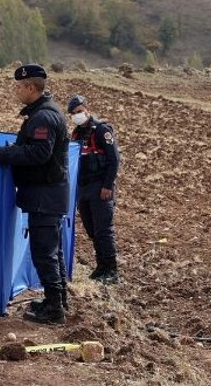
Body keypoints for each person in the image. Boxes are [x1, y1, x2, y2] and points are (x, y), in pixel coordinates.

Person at [0, 64, 69, 325]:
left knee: (44, 252)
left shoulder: (43, 117)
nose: (16, 91)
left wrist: (4, 154)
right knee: (51, 250)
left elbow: (39, 154)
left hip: (44, 194)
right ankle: (57, 300)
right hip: (47, 193)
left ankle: (55, 308)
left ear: (30, 87)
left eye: (19, 86)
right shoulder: (43, 113)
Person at [68, 94, 121, 284]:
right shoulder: (75, 135)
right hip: (83, 188)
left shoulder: (101, 130)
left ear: (87, 110)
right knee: (92, 230)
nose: (77, 115)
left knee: (103, 230)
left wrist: (107, 186)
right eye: (74, 114)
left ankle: (111, 270)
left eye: (80, 111)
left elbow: (114, 160)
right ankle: (101, 267)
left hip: (100, 188)